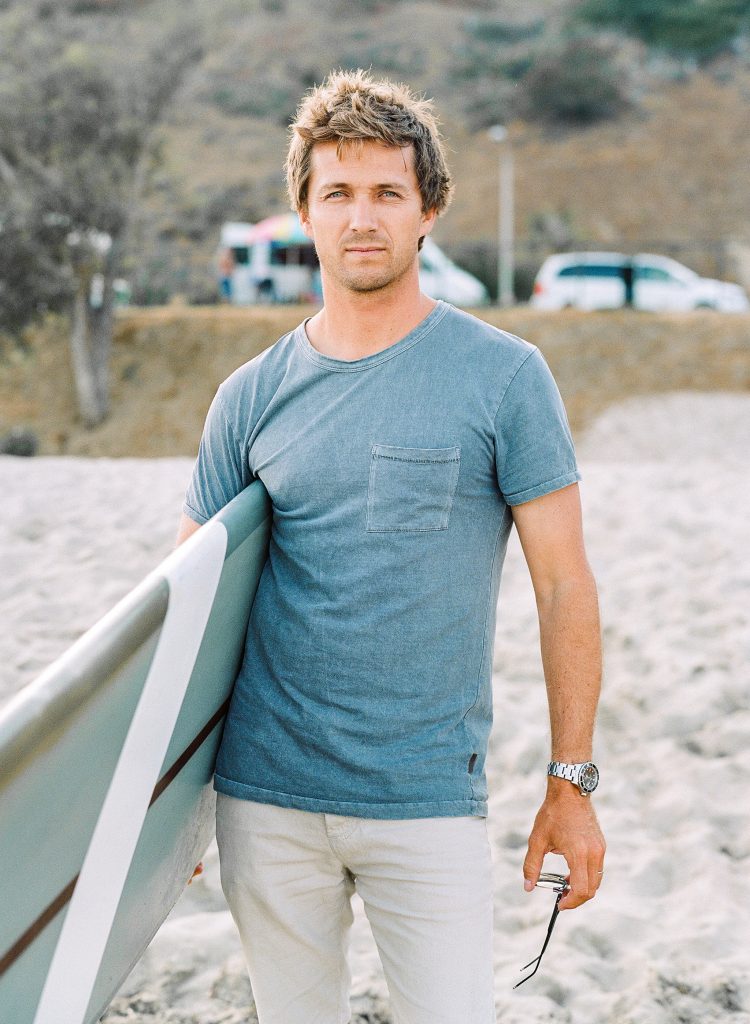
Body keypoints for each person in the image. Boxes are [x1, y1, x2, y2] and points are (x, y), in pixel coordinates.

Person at [176, 68, 605, 1024]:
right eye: (337, 193)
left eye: (385, 193)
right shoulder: (248, 396)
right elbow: (189, 610)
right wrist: (173, 806)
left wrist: (569, 784)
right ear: (304, 211)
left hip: (426, 803)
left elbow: (565, 588)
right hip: (263, 801)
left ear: (428, 211)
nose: (360, 217)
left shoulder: (504, 379)